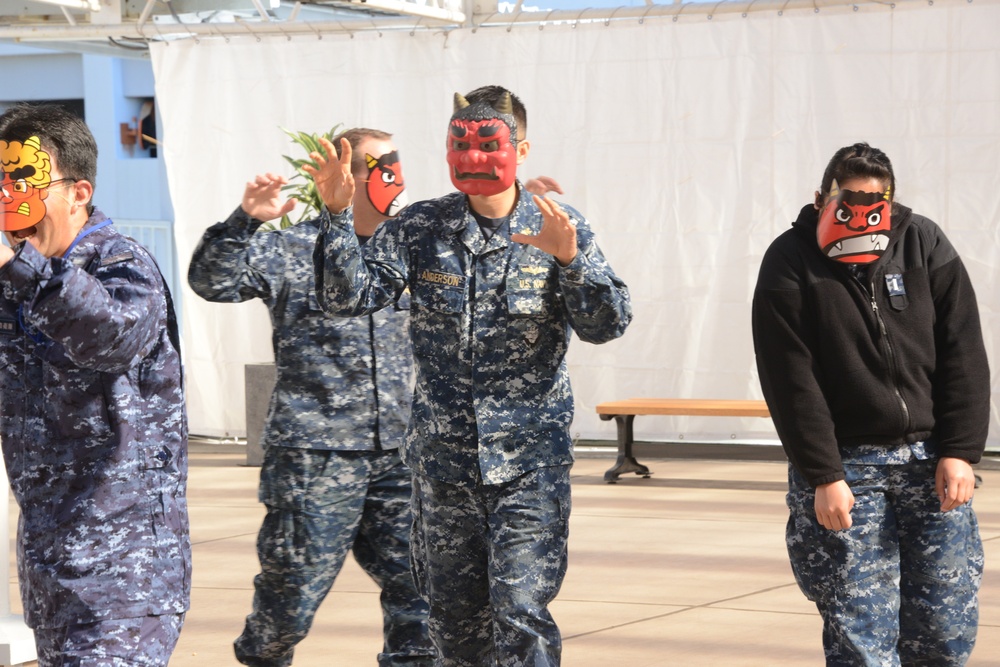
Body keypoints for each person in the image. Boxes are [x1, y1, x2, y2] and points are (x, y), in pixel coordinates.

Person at [311, 86, 633, 666]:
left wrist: (571, 262)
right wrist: (338, 216)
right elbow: (347, 299)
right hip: (444, 465)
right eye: (460, 144)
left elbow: (608, 325)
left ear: (522, 149)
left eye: (490, 145)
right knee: (454, 623)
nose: (475, 158)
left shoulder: (558, 225)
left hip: (528, 463)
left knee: (520, 609)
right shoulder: (421, 226)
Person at [188, 128, 436, 667]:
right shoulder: (293, 248)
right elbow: (213, 281)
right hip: (314, 455)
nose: (393, 177)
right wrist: (246, 218)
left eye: (396, 165)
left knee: (423, 593)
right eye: (379, 165)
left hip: (402, 452)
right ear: (344, 174)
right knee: (289, 598)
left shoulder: (415, 253)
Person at [751, 142, 989, 666]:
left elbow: (963, 349)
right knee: (861, 630)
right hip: (849, 469)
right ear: (822, 198)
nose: (860, 210)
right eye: (847, 199)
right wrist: (823, 474)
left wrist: (961, 450)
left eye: (873, 199)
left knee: (944, 627)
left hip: (930, 465)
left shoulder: (921, 241)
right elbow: (791, 378)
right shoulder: (790, 260)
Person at [0, 104, 190, 664]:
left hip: (125, 574)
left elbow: (110, 338)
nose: (9, 199)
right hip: (51, 571)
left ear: (79, 192)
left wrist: (16, 267)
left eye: (22, 180)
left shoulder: (122, 264)